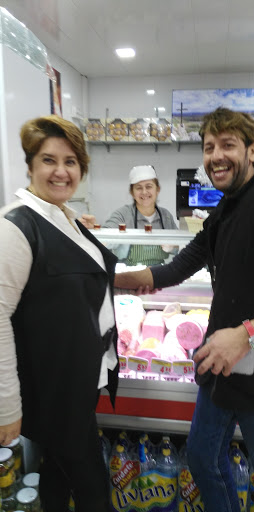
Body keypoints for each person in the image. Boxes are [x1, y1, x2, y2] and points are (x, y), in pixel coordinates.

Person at [114, 107, 254, 511]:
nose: (216, 156)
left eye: (228, 145)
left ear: (253, 150)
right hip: (218, 367)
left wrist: (246, 335)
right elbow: (170, 270)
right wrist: (103, 272)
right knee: (202, 458)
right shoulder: (221, 213)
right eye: (209, 147)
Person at [0, 115, 119, 512]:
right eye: (49, 160)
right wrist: (8, 408)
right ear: (31, 165)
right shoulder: (16, 226)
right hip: (52, 392)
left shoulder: (66, 218)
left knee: (56, 478)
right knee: (93, 491)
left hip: (77, 385)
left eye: (71, 162)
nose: (60, 171)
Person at [79, 165, 178, 266]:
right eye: (138, 188)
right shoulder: (122, 215)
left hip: (160, 272)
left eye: (149, 186)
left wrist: (173, 246)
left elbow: (180, 247)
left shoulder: (166, 216)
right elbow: (106, 241)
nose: (144, 192)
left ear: (157, 189)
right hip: (129, 272)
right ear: (132, 192)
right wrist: (95, 230)